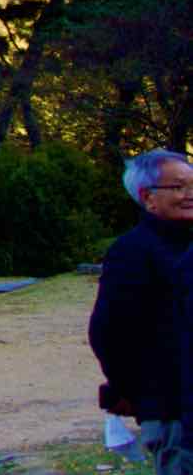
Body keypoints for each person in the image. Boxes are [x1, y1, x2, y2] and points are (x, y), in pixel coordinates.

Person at [90, 149, 193, 470]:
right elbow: (108, 333)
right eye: (178, 187)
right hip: (175, 413)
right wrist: (138, 393)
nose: (189, 195)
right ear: (147, 197)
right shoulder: (133, 252)